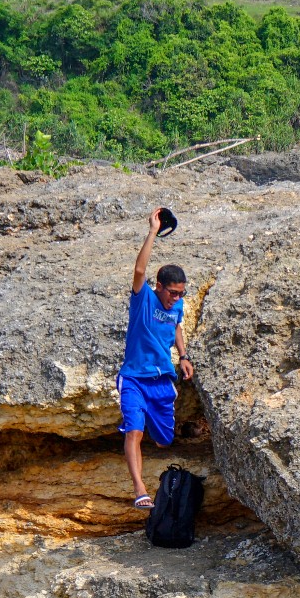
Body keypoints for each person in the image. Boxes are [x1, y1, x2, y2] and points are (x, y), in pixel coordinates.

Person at [118, 208, 195, 508]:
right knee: (134, 431)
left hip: (162, 379)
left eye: (181, 293)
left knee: (163, 440)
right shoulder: (144, 299)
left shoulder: (177, 306)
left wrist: (184, 355)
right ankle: (140, 489)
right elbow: (139, 272)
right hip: (134, 378)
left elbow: (176, 326)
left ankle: (144, 415)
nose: (176, 297)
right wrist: (153, 230)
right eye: (172, 292)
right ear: (159, 287)